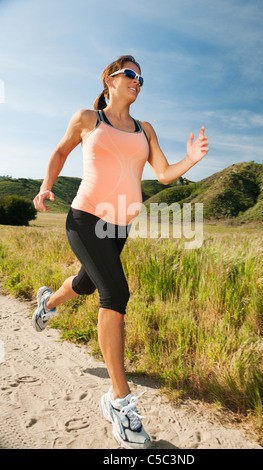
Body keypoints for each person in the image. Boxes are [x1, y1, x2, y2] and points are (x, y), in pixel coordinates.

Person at [32, 55, 209, 449]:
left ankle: (48, 303)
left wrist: (191, 160)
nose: (137, 81)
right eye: (129, 74)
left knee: (86, 283)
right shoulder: (88, 119)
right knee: (116, 294)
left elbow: (163, 173)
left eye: (140, 77)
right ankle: (118, 401)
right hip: (84, 218)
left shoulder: (145, 129)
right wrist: (46, 186)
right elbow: (61, 152)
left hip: (118, 225)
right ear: (109, 80)